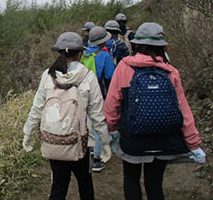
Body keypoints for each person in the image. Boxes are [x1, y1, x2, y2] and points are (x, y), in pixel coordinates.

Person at [104, 22, 206, 200]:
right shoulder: (170, 71)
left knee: (131, 178)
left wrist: (112, 129)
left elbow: (112, 103)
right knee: (154, 183)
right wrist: (193, 143)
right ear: (161, 46)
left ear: (137, 44)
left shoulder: (124, 67)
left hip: (133, 138)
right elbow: (183, 109)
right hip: (163, 139)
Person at [23, 32, 111, 200]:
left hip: (54, 141)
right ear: (80, 53)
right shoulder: (88, 77)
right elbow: (97, 114)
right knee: (85, 185)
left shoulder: (48, 75)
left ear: (59, 53)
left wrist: (28, 132)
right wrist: (105, 142)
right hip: (82, 144)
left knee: (58, 186)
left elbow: (37, 108)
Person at [85, 26, 116, 172]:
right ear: (104, 41)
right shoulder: (104, 55)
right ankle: (97, 159)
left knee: (85, 123)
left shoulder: (82, 53)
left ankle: (85, 153)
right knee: (98, 124)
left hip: (81, 94)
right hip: (98, 93)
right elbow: (110, 76)